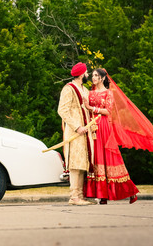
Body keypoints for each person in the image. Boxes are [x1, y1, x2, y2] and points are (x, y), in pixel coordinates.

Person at [84, 68, 139, 204]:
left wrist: (92, 109)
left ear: (103, 78)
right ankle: (101, 195)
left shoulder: (108, 93)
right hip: (92, 126)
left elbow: (108, 111)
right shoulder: (89, 93)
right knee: (96, 158)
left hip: (103, 125)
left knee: (109, 158)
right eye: (92, 75)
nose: (94, 78)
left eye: (96, 75)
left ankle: (129, 191)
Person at [57, 62, 96, 206]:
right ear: (81, 74)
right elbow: (62, 110)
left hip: (86, 132)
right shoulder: (68, 89)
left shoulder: (84, 89)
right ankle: (74, 197)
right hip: (75, 131)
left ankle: (80, 196)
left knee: (83, 163)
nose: (88, 75)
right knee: (74, 163)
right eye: (86, 73)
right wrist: (77, 126)